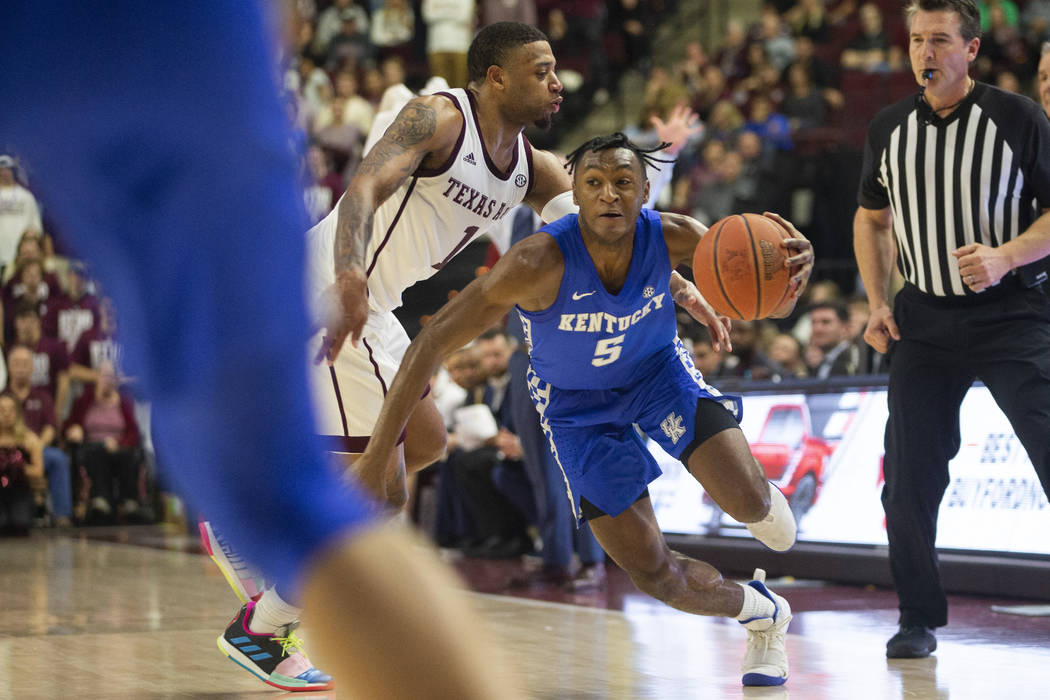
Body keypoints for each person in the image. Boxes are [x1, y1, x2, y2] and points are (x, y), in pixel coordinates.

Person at [2, 3, 522, 698]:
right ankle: (262, 608)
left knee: (423, 442)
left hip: (369, 299)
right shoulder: (432, 119)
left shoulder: (524, 163)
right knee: (351, 488)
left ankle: (246, 522)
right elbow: (363, 182)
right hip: (343, 284)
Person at [354, 132, 815, 687]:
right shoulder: (534, 261)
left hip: (657, 376)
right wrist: (381, 451)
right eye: (593, 184)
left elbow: (761, 277)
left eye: (623, 183)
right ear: (574, 191)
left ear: (646, 190)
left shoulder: (675, 236)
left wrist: (793, 266)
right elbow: (429, 345)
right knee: (654, 573)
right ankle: (762, 613)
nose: (608, 195)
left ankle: (757, 496)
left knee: (763, 517)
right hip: (577, 411)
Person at [853, 0, 1050, 660]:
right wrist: (877, 300)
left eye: (939, 40)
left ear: (970, 51)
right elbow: (871, 219)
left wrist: (1006, 256)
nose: (924, 52)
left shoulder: (1018, 117)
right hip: (924, 322)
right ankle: (916, 615)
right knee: (907, 480)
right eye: (915, 40)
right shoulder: (887, 128)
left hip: (1013, 315)